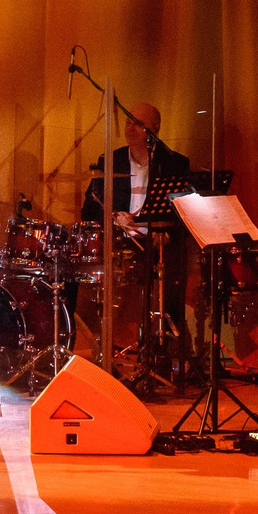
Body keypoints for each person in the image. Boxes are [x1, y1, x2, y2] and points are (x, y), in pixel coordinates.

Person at [78, 102, 192, 356]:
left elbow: (186, 213)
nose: (130, 127)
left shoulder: (174, 163)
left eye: (137, 123)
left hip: (158, 242)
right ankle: (107, 346)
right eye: (128, 121)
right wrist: (112, 216)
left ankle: (165, 348)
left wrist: (167, 233)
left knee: (175, 261)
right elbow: (89, 209)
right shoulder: (110, 160)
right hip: (120, 240)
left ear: (154, 130)